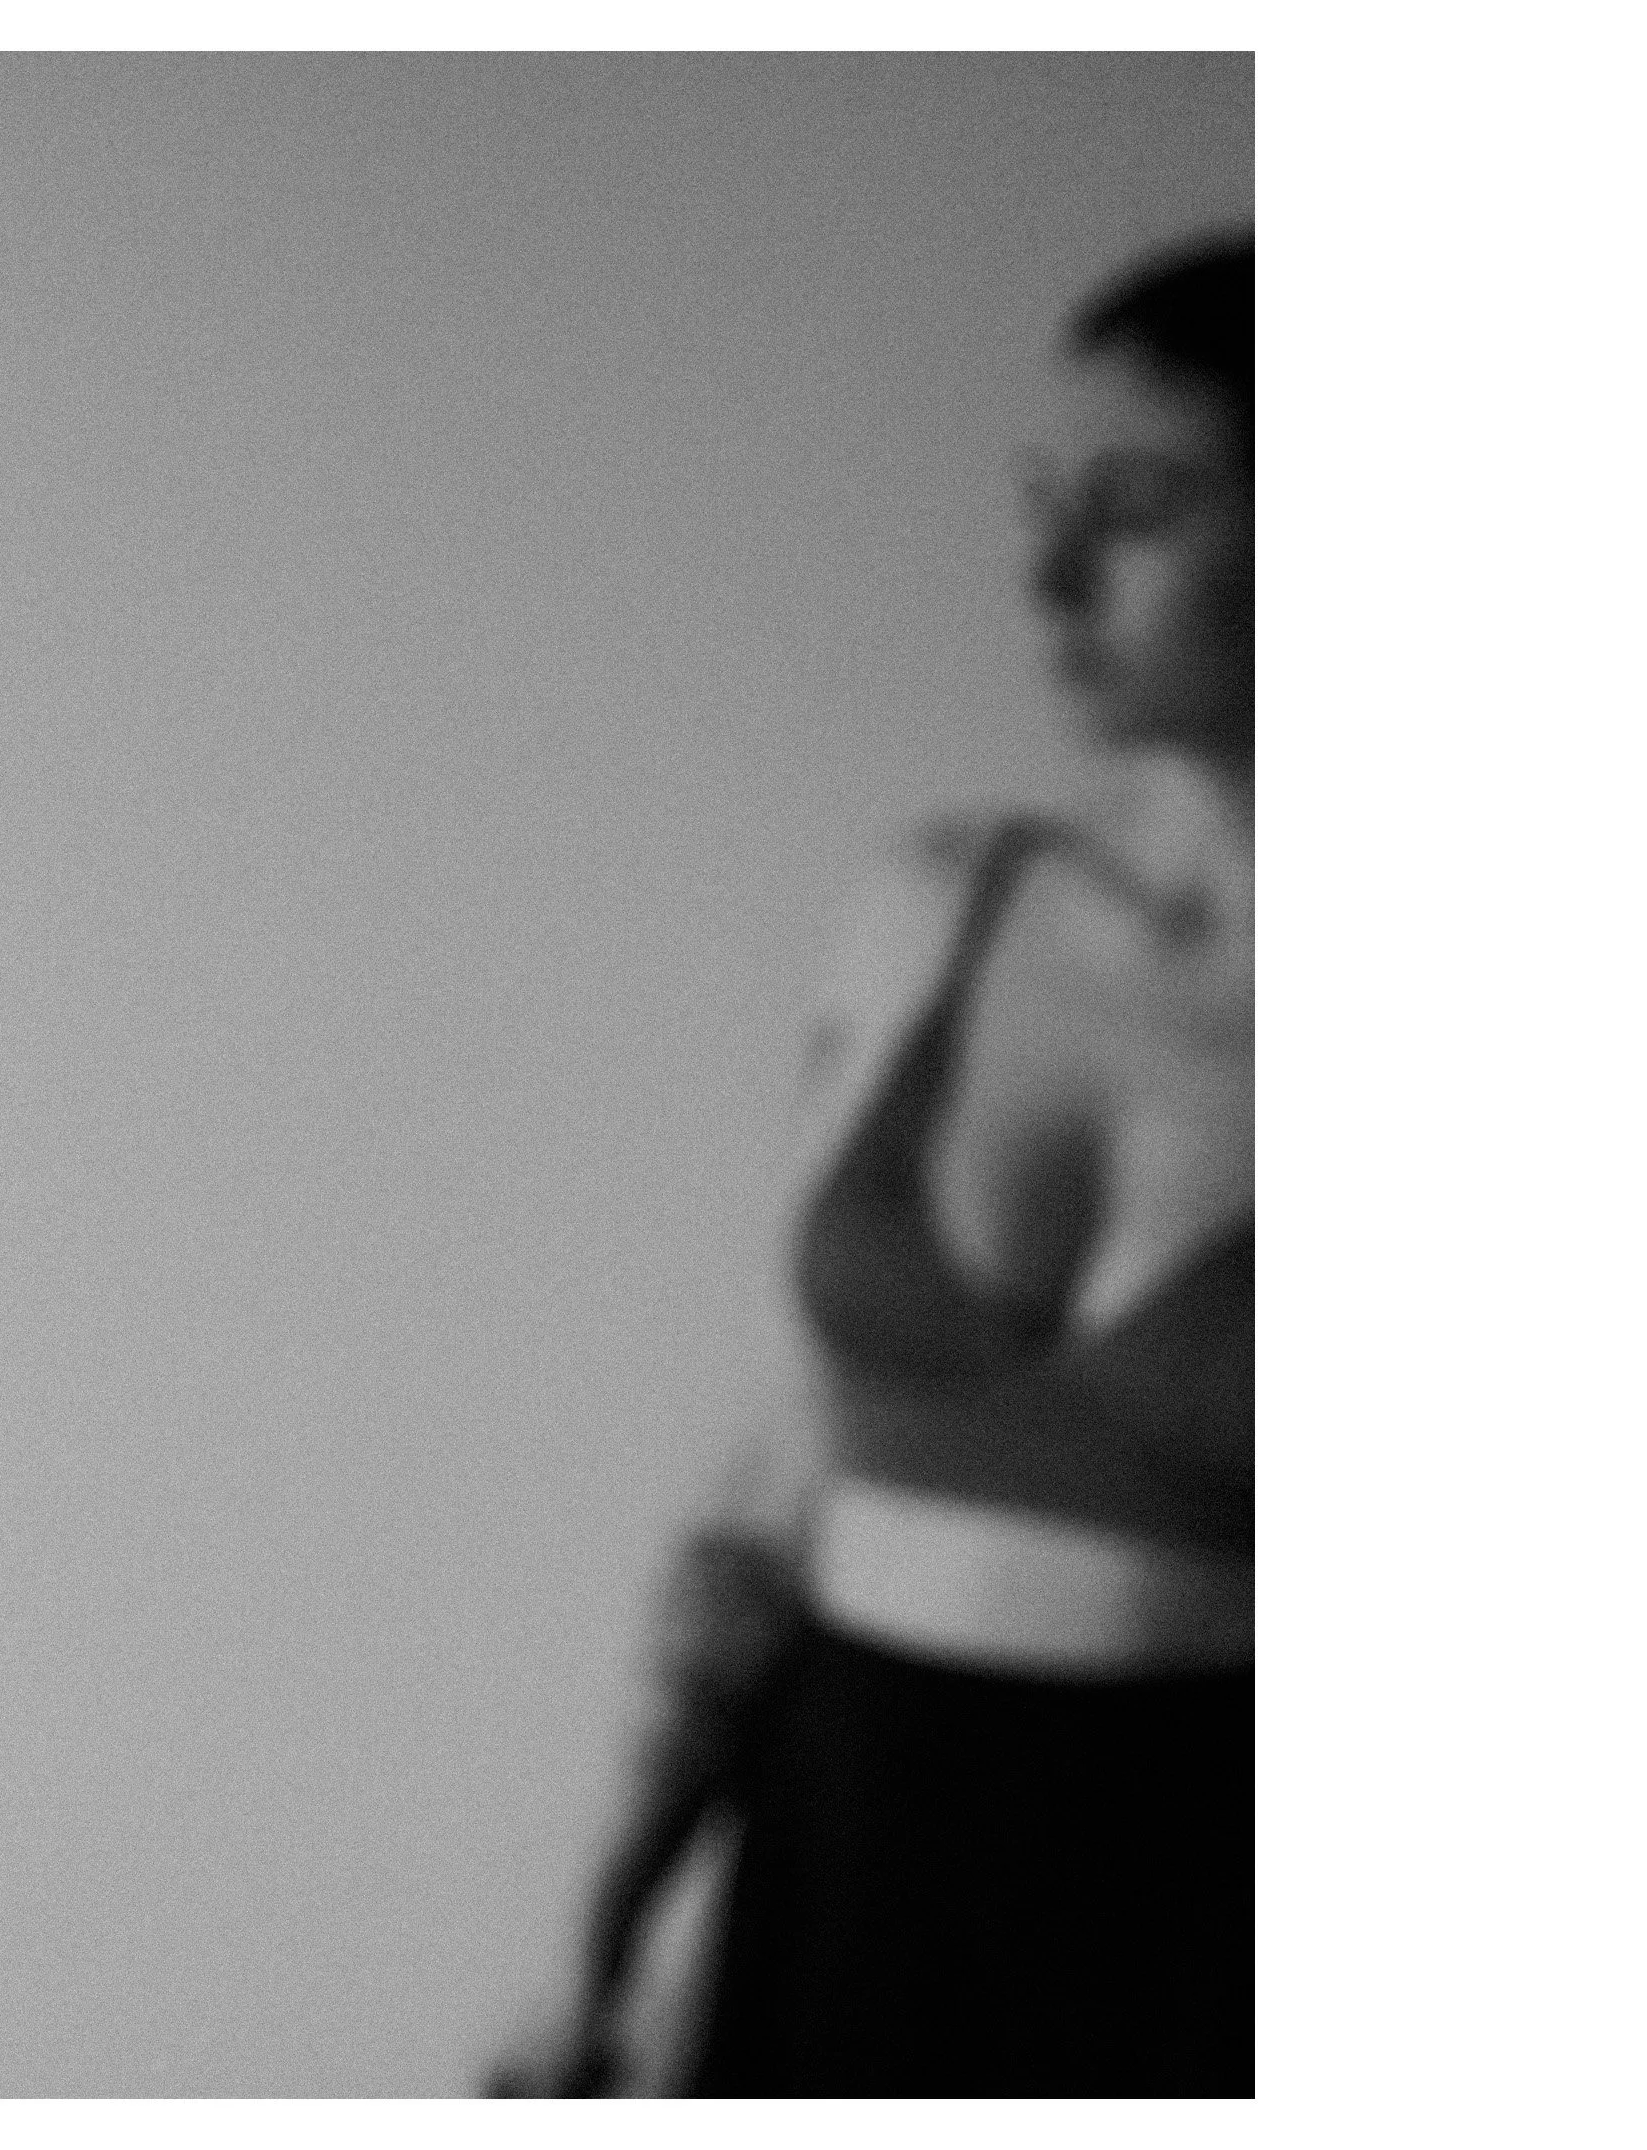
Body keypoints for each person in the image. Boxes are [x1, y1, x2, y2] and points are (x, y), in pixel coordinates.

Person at [486, 231, 1256, 2098]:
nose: (1050, 576)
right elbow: (783, 1469)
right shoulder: (932, 910)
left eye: (1137, 506)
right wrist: (611, 1917)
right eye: (1042, 502)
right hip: (842, 1838)